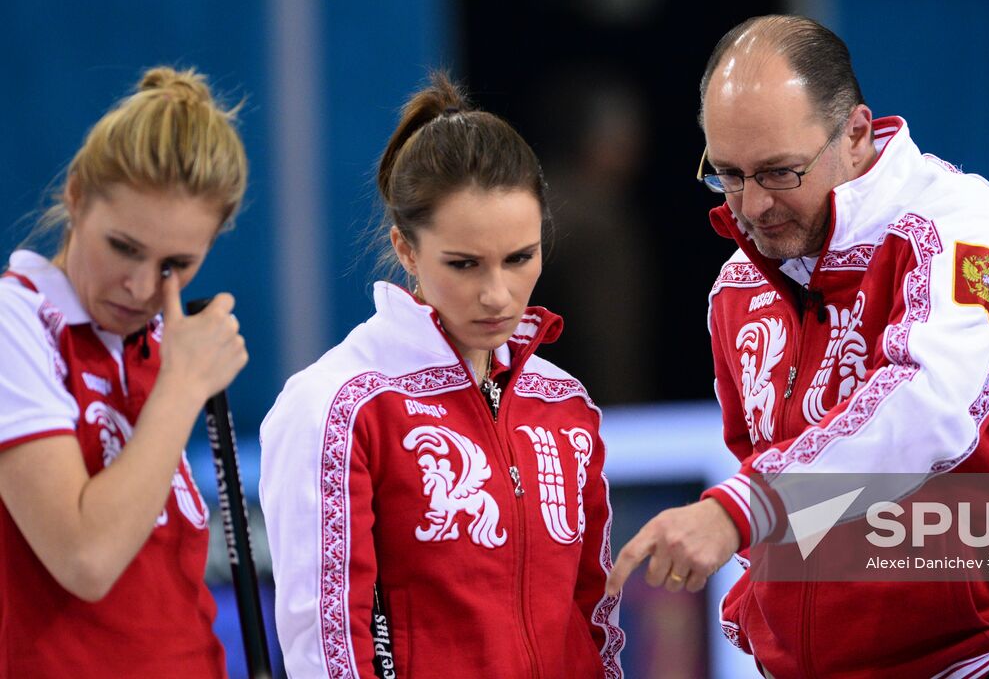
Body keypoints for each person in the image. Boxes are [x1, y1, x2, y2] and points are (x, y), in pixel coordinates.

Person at [606, 15, 989, 678]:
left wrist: (743, 509)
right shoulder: (738, 285)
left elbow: (928, 410)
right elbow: (767, 459)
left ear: (857, 132)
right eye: (727, 175)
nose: (752, 206)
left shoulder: (963, 229)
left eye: (779, 172)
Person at [259, 72, 623, 678]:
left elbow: (594, 621)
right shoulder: (337, 403)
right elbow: (327, 649)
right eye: (464, 264)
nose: (497, 295)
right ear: (406, 250)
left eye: (520, 258)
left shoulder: (563, 402)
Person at [0, 66, 248, 676]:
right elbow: (86, 558)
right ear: (76, 195)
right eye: (124, 247)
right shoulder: (16, 321)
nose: (140, 287)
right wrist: (184, 387)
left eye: (176, 264)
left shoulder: (164, 345)